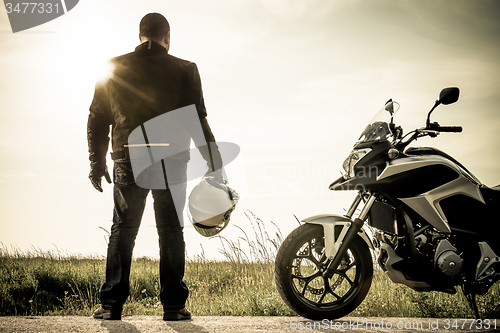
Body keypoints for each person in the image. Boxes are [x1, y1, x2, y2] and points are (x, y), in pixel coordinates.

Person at [87, 12, 222, 321]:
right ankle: (174, 307)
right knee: (171, 231)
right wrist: (213, 162)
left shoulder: (112, 68)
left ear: (140, 36)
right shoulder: (186, 69)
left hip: (127, 158)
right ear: (167, 37)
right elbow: (197, 119)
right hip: (171, 159)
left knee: (123, 230)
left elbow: (97, 118)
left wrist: (96, 162)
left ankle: (110, 307)